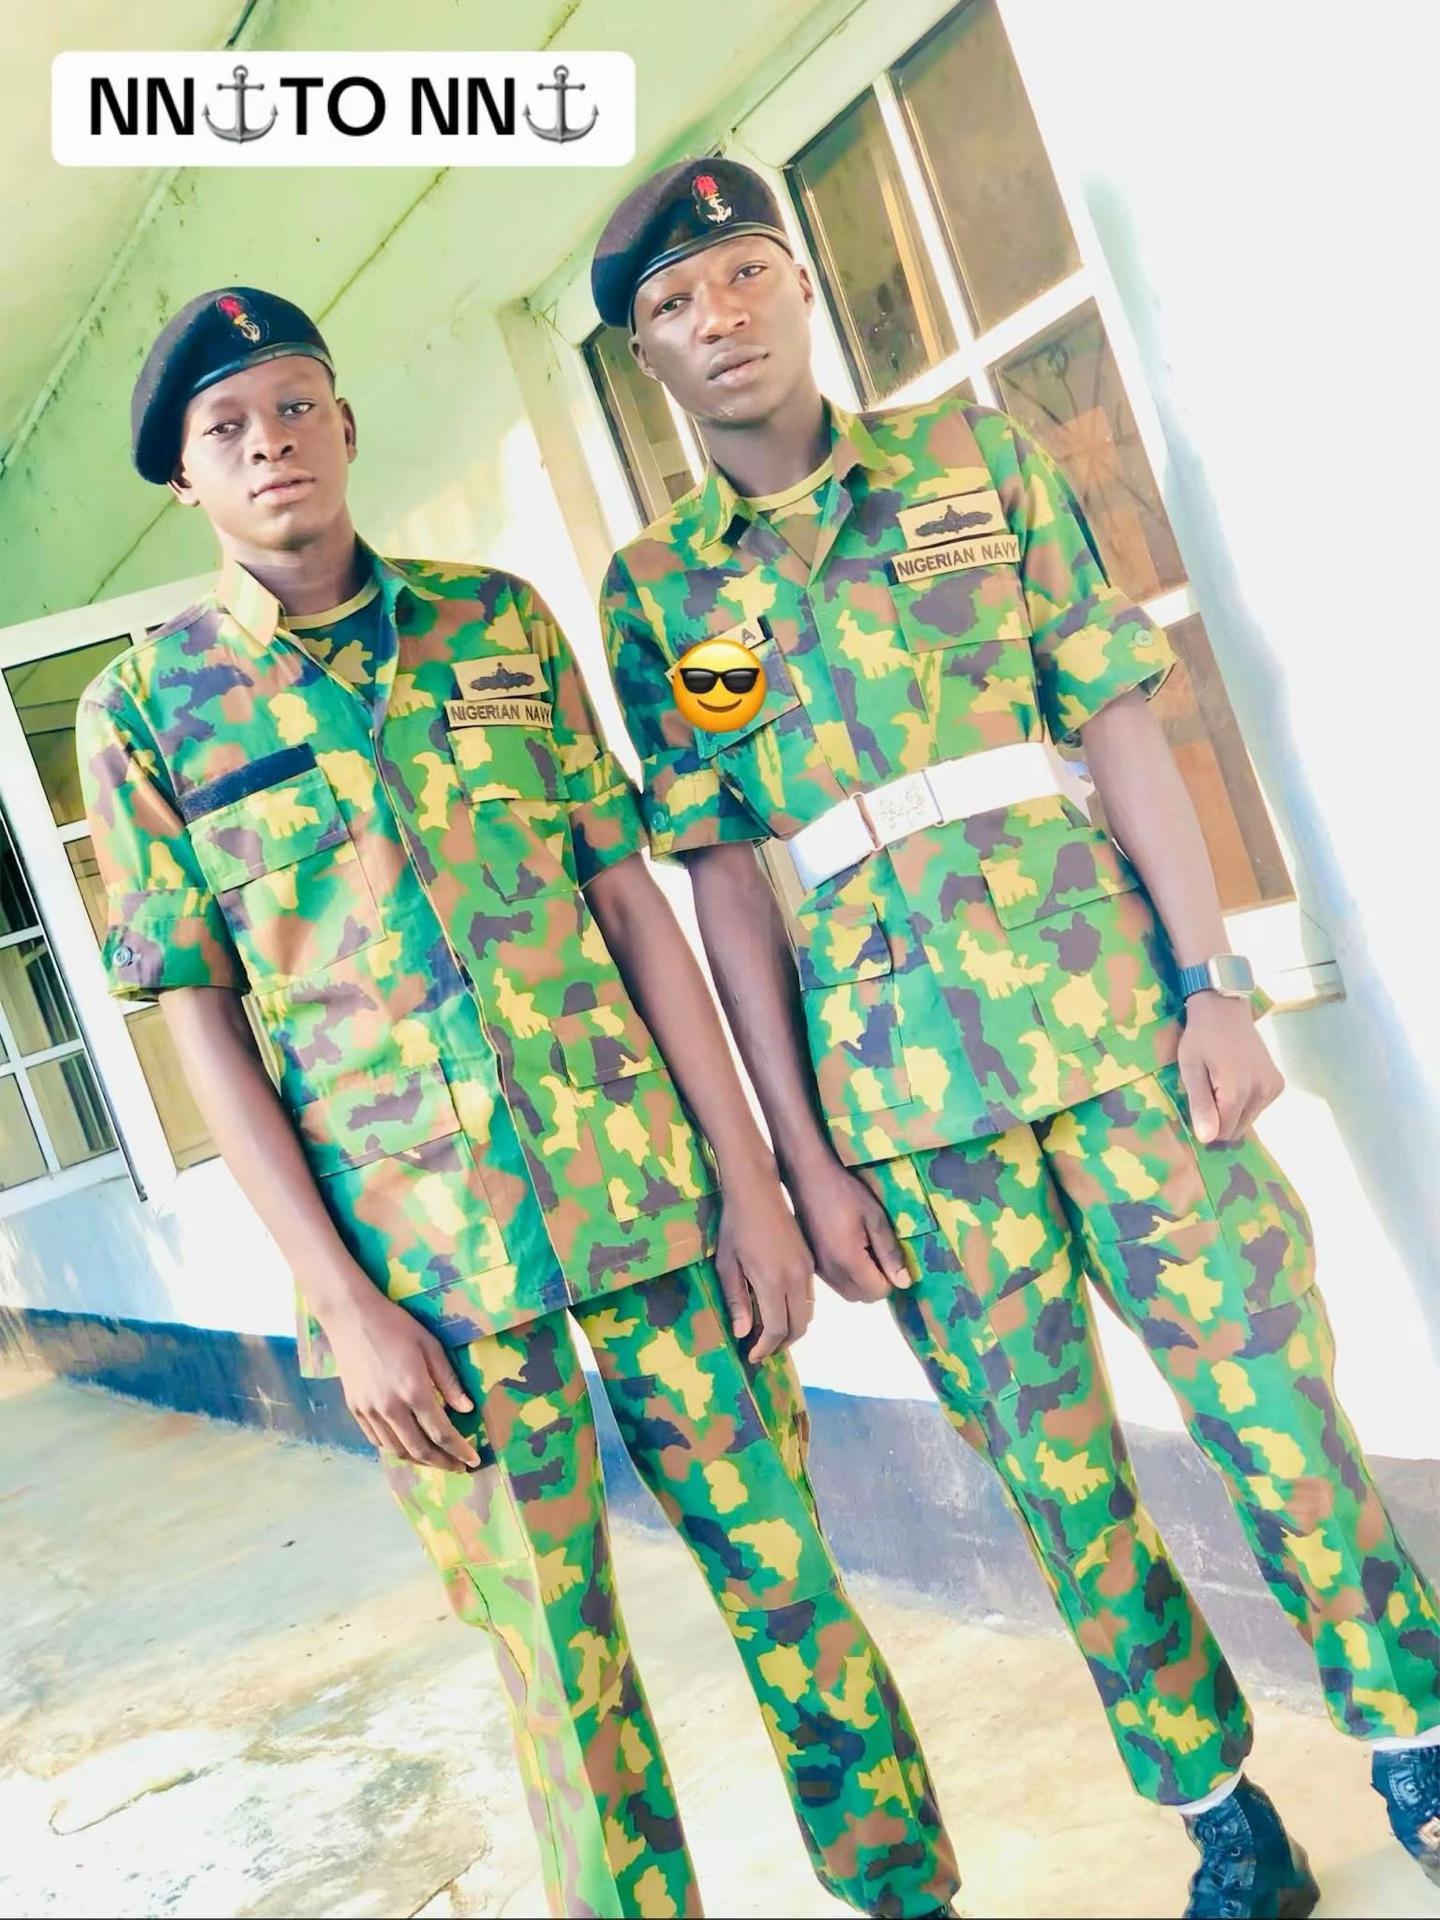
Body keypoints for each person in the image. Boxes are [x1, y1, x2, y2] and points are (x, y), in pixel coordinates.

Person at [591, 159, 1440, 1919]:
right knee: (1061, 1487)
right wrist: (806, 1165)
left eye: (742, 273)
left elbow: (1120, 719)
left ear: (799, 286)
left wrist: (1212, 984)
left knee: (1274, 1401)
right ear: (648, 359)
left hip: (1124, 1037)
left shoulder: (975, 464)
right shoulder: (664, 592)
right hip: (908, 1119)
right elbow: (728, 882)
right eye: (672, 305)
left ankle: (1418, 1742)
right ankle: (1220, 1817)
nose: (717, 318)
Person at [77, 285, 963, 1920]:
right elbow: (205, 1030)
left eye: (295, 405)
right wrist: (345, 1308)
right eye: (227, 427)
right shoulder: (147, 710)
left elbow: (630, 902)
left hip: (654, 1217)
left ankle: (909, 1894)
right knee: (563, 1675)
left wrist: (752, 1184)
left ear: (347, 426)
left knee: (791, 1586)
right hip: (428, 1288)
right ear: (184, 478)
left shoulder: (497, 626)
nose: (270, 443)